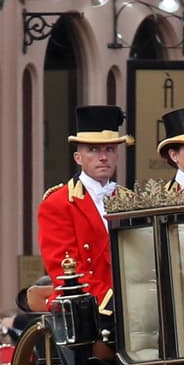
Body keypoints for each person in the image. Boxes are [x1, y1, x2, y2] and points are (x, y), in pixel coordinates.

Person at [37, 105, 133, 312]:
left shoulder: (130, 200)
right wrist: (112, 303)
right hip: (86, 308)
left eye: (109, 149)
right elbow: (66, 269)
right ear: (78, 158)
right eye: (93, 150)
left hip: (132, 305)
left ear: (117, 156)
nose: (103, 157)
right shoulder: (58, 203)